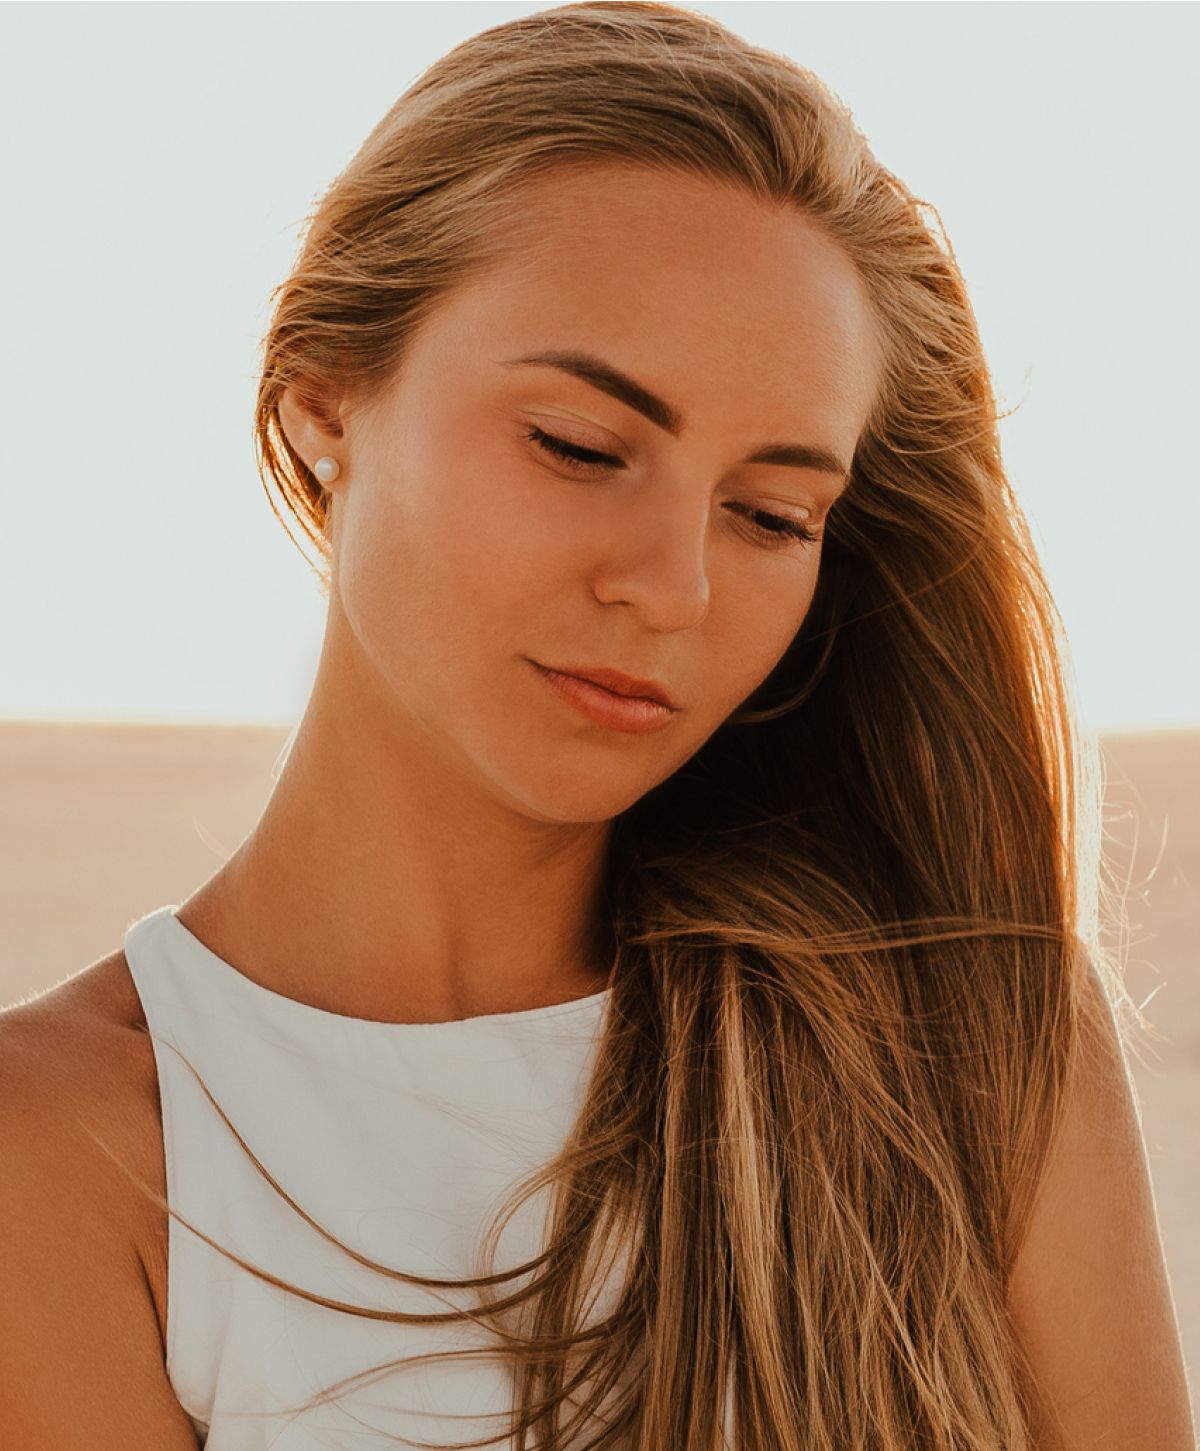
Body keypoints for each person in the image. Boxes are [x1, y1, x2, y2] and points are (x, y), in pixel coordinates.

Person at [1, 3, 1194, 1448]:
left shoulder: (970, 1037)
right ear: (325, 394)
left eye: (771, 514)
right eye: (580, 446)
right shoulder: (66, 1150)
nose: (674, 587)